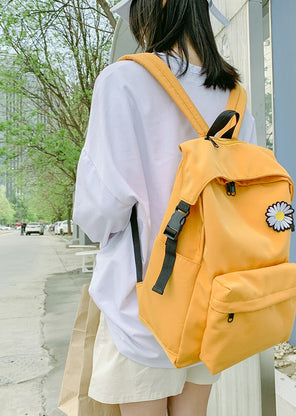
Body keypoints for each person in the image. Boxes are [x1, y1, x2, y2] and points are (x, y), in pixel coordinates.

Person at [72, 0, 257, 415]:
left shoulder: (123, 81)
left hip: (143, 302)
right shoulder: (234, 94)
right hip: (212, 299)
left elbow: (100, 212)